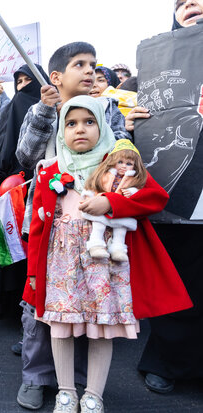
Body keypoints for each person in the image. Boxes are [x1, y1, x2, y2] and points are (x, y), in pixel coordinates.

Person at [27, 95, 191, 413]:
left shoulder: (121, 166)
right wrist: (33, 273)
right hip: (61, 265)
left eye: (90, 122)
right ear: (61, 130)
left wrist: (112, 203)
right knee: (60, 326)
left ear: (102, 126)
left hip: (103, 265)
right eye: (71, 123)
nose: (80, 129)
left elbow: (156, 197)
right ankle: (65, 392)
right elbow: (37, 226)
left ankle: (93, 394)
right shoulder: (50, 170)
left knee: (101, 329)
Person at [14, 42, 128, 410]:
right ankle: (36, 376)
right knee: (40, 307)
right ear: (56, 77)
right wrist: (47, 111)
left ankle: (79, 385)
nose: (90, 70)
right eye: (80, 64)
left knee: (88, 307)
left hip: (96, 228)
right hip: (49, 227)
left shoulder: (107, 109)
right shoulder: (41, 109)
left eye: (93, 64)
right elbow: (25, 156)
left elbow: (125, 157)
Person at [126, 0, 203, 394]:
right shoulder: (158, 66)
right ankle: (169, 361)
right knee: (177, 276)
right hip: (176, 191)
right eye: (182, 2)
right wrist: (132, 126)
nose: (191, 6)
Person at [0, 64, 50, 322]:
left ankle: (15, 304)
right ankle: (9, 302)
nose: (23, 86)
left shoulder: (45, 108)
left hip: (25, 186)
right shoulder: (19, 105)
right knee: (12, 243)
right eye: (19, 81)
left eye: (28, 80)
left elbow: (4, 151)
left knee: (17, 244)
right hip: (12, 187)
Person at [82, 140, 147, 261]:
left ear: (135, 165)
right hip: (102, 204)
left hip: (120, 209)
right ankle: (95, 245)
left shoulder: (132, 179)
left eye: (129, 163)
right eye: (120, 162)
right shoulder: (106, 175)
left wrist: (133, 192)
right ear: (113, 162)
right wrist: (88, 195)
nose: (124, 166)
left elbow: (140, 191)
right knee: (98, 225)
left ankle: (118, 249)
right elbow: (95, 185)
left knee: (121, 229)